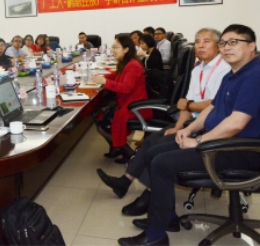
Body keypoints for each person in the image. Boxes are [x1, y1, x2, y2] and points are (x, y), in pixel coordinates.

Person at [117, 25, 260, 246]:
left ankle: (155, 236)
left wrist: (199, 141)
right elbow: (212, 108)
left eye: (234, 42)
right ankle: (168, 218)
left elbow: (236, 124)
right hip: (220, 142)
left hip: (238, 150)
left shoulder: (255, 77)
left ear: (252, 46)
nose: (227, 48)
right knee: (153, 153)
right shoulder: (234, 74)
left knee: (162, 164)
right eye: (223, 43)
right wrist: (188, 130)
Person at [97, 28, 231, 215]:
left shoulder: (225, 70)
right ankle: (124, 181)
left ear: (218, 46)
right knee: (151, 140)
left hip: (209, 127)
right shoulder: (198, 69)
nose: (200, 45)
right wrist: (178, 126)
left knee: (158, 149)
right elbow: (185, 103)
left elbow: (211, 105)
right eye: (197, 41)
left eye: (206, 41)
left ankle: (149, 197)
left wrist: (189, 106)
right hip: (192, 123)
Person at [91, 35, 151, 163]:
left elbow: (126, 88)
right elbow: (116, 75)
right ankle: (115, 148)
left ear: (126, 49)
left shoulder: (133, 66)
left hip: (135, 107)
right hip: (128, 103)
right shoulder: (125, 63)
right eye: (112, 47)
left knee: (103, 118)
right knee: (99, 114)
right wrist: (100, 76)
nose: (113, 50)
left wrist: (105, 82)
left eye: (116, 47)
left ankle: (129, 153)